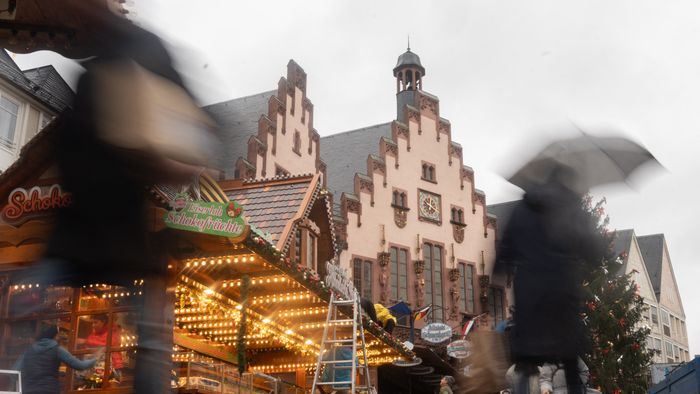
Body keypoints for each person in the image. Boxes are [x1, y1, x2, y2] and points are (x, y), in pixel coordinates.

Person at [495, 166, 606, 394]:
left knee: (525, 363)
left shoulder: (522, 209)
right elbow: (593, 249)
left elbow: (505, 250)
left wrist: (499, 271)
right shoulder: (571, 207)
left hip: (529, 294)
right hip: (562, 293)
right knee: (570, 359)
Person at [14, 326, 100, 394]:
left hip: (29, 390)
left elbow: (15, 371)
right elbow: (80, 365)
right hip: (49, 390)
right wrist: (95, 359)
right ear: (54, 336)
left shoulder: (29, 351)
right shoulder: (57, 350)